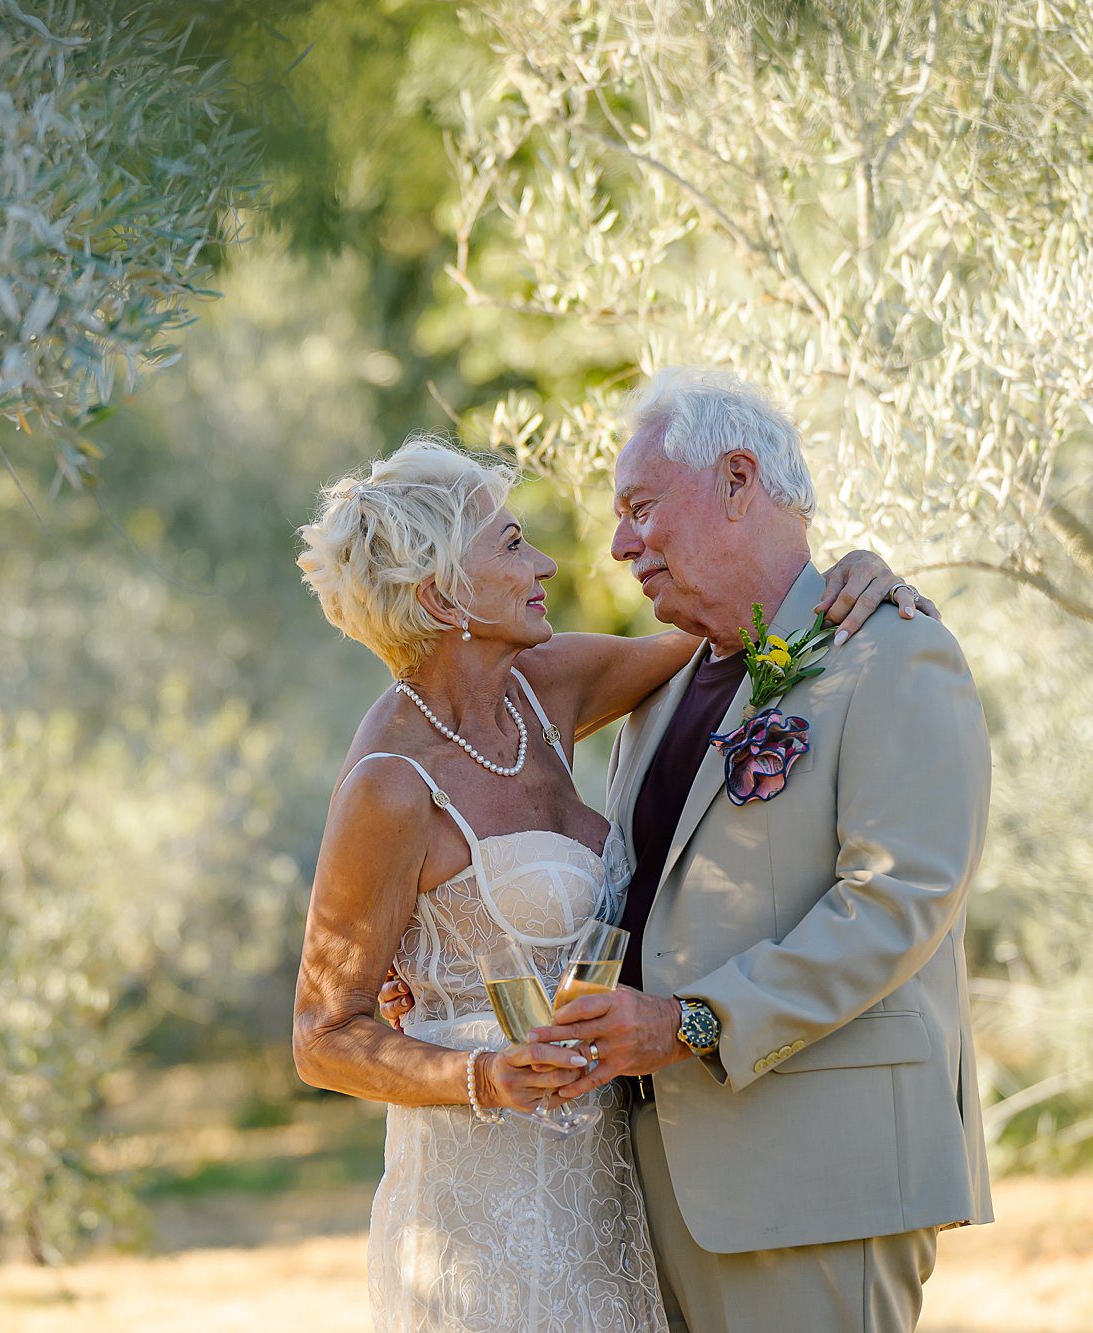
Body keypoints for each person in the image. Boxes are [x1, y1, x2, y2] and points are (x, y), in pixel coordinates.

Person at [381, 368, 994, 1332]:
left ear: (740, 481)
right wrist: (441, 961)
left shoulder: (895, 653)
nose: (621, 543)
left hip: (818, 1186)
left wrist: (689, 1024)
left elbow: (895, 902)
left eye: (640, 508)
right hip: (645, 1198)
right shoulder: (659, 696)